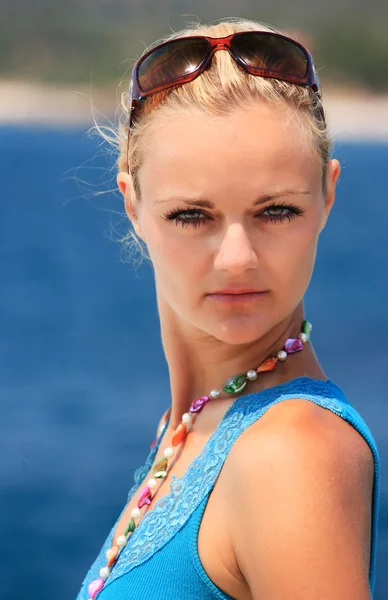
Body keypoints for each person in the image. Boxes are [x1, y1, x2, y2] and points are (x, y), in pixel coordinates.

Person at [76, 17, 380, 600]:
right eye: (193, 215)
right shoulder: (186, 427)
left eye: (277, 211)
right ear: (132, 204)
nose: (237, 258)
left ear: (328, 194)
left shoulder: (291, 449)